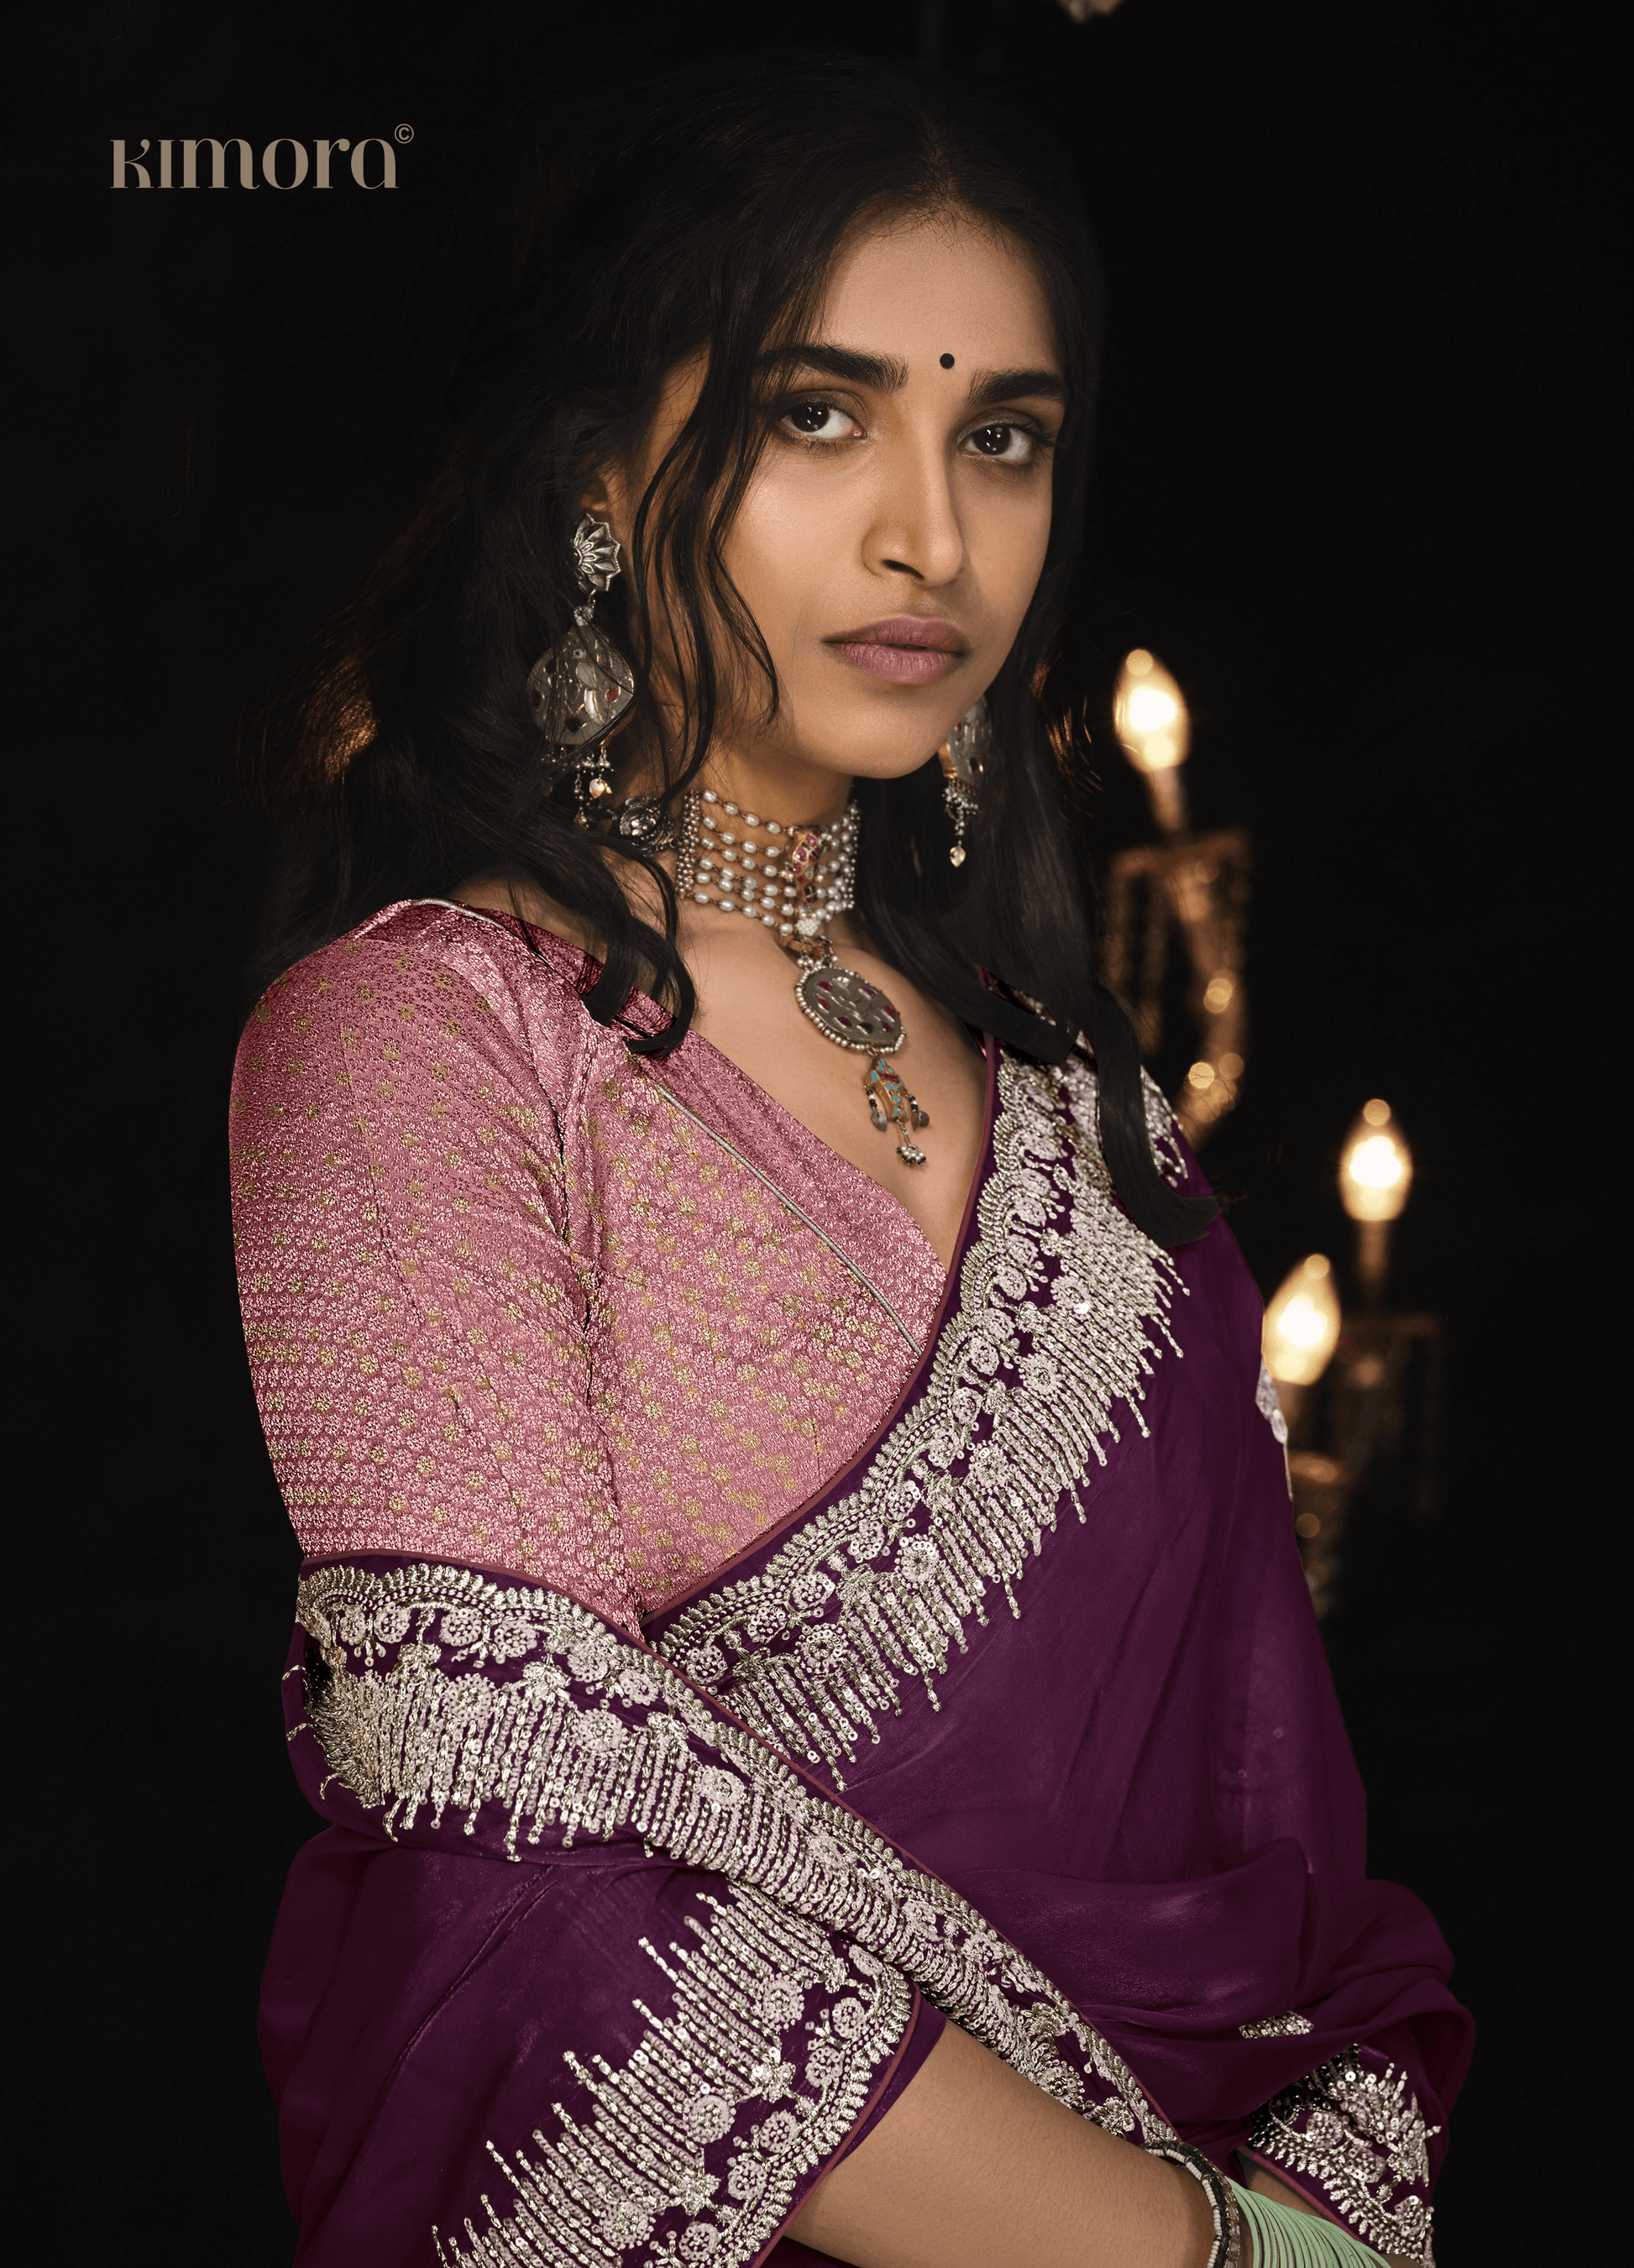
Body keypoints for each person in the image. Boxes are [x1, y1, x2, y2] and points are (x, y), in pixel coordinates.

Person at [231, 50, 1470, 2268]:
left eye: (1003, 436)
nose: (935, 538)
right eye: (818, 415)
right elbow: (505, 1870)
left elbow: (1285, 1862)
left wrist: (1318, 2204)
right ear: (597, 470)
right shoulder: (426, 1045)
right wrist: (1197, 2253)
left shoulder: (1086, 1110)